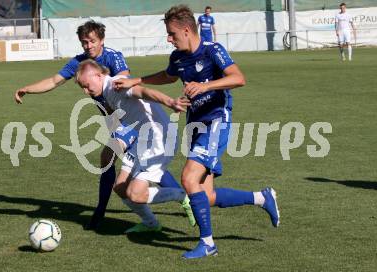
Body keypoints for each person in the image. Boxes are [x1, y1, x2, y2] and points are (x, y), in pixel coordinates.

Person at [114, 5, 280, 259]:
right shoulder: (178, 58)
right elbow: (169, 76)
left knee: (189, 178)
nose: (169, 38)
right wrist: (137, 80)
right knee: (205, 195)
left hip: (216, 120)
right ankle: (261, 197)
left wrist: (206, 86)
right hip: (195, 124)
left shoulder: (213, 51)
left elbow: (238, 78)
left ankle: (208, 244)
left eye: (172, 33)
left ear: (187, 30)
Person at [14, 20, 193, 231]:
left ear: (101, 40)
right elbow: (54, 81)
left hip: (131, 120)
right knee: (122, 166)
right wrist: (28, 89)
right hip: (116, 119)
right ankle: (155, 213)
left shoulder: (112, 57)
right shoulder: (80, 63)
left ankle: (103, 209)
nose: (88, 46)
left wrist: (165, 101)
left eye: (92, 41)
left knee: (112, 158)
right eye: (84, 42)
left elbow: (126, 83)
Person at [75, 59, 192, 233]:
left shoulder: (116, 85)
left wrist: (170, 102)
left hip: (160, 139)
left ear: (98, 75)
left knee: (135, 193)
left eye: (86, 85)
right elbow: (112, 111)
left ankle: (182, 196)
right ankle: (151, 223)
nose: (86, 91)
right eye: (82, 88)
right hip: (142, 139)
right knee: (120, 187)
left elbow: (144, 91)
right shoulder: (105, 92)